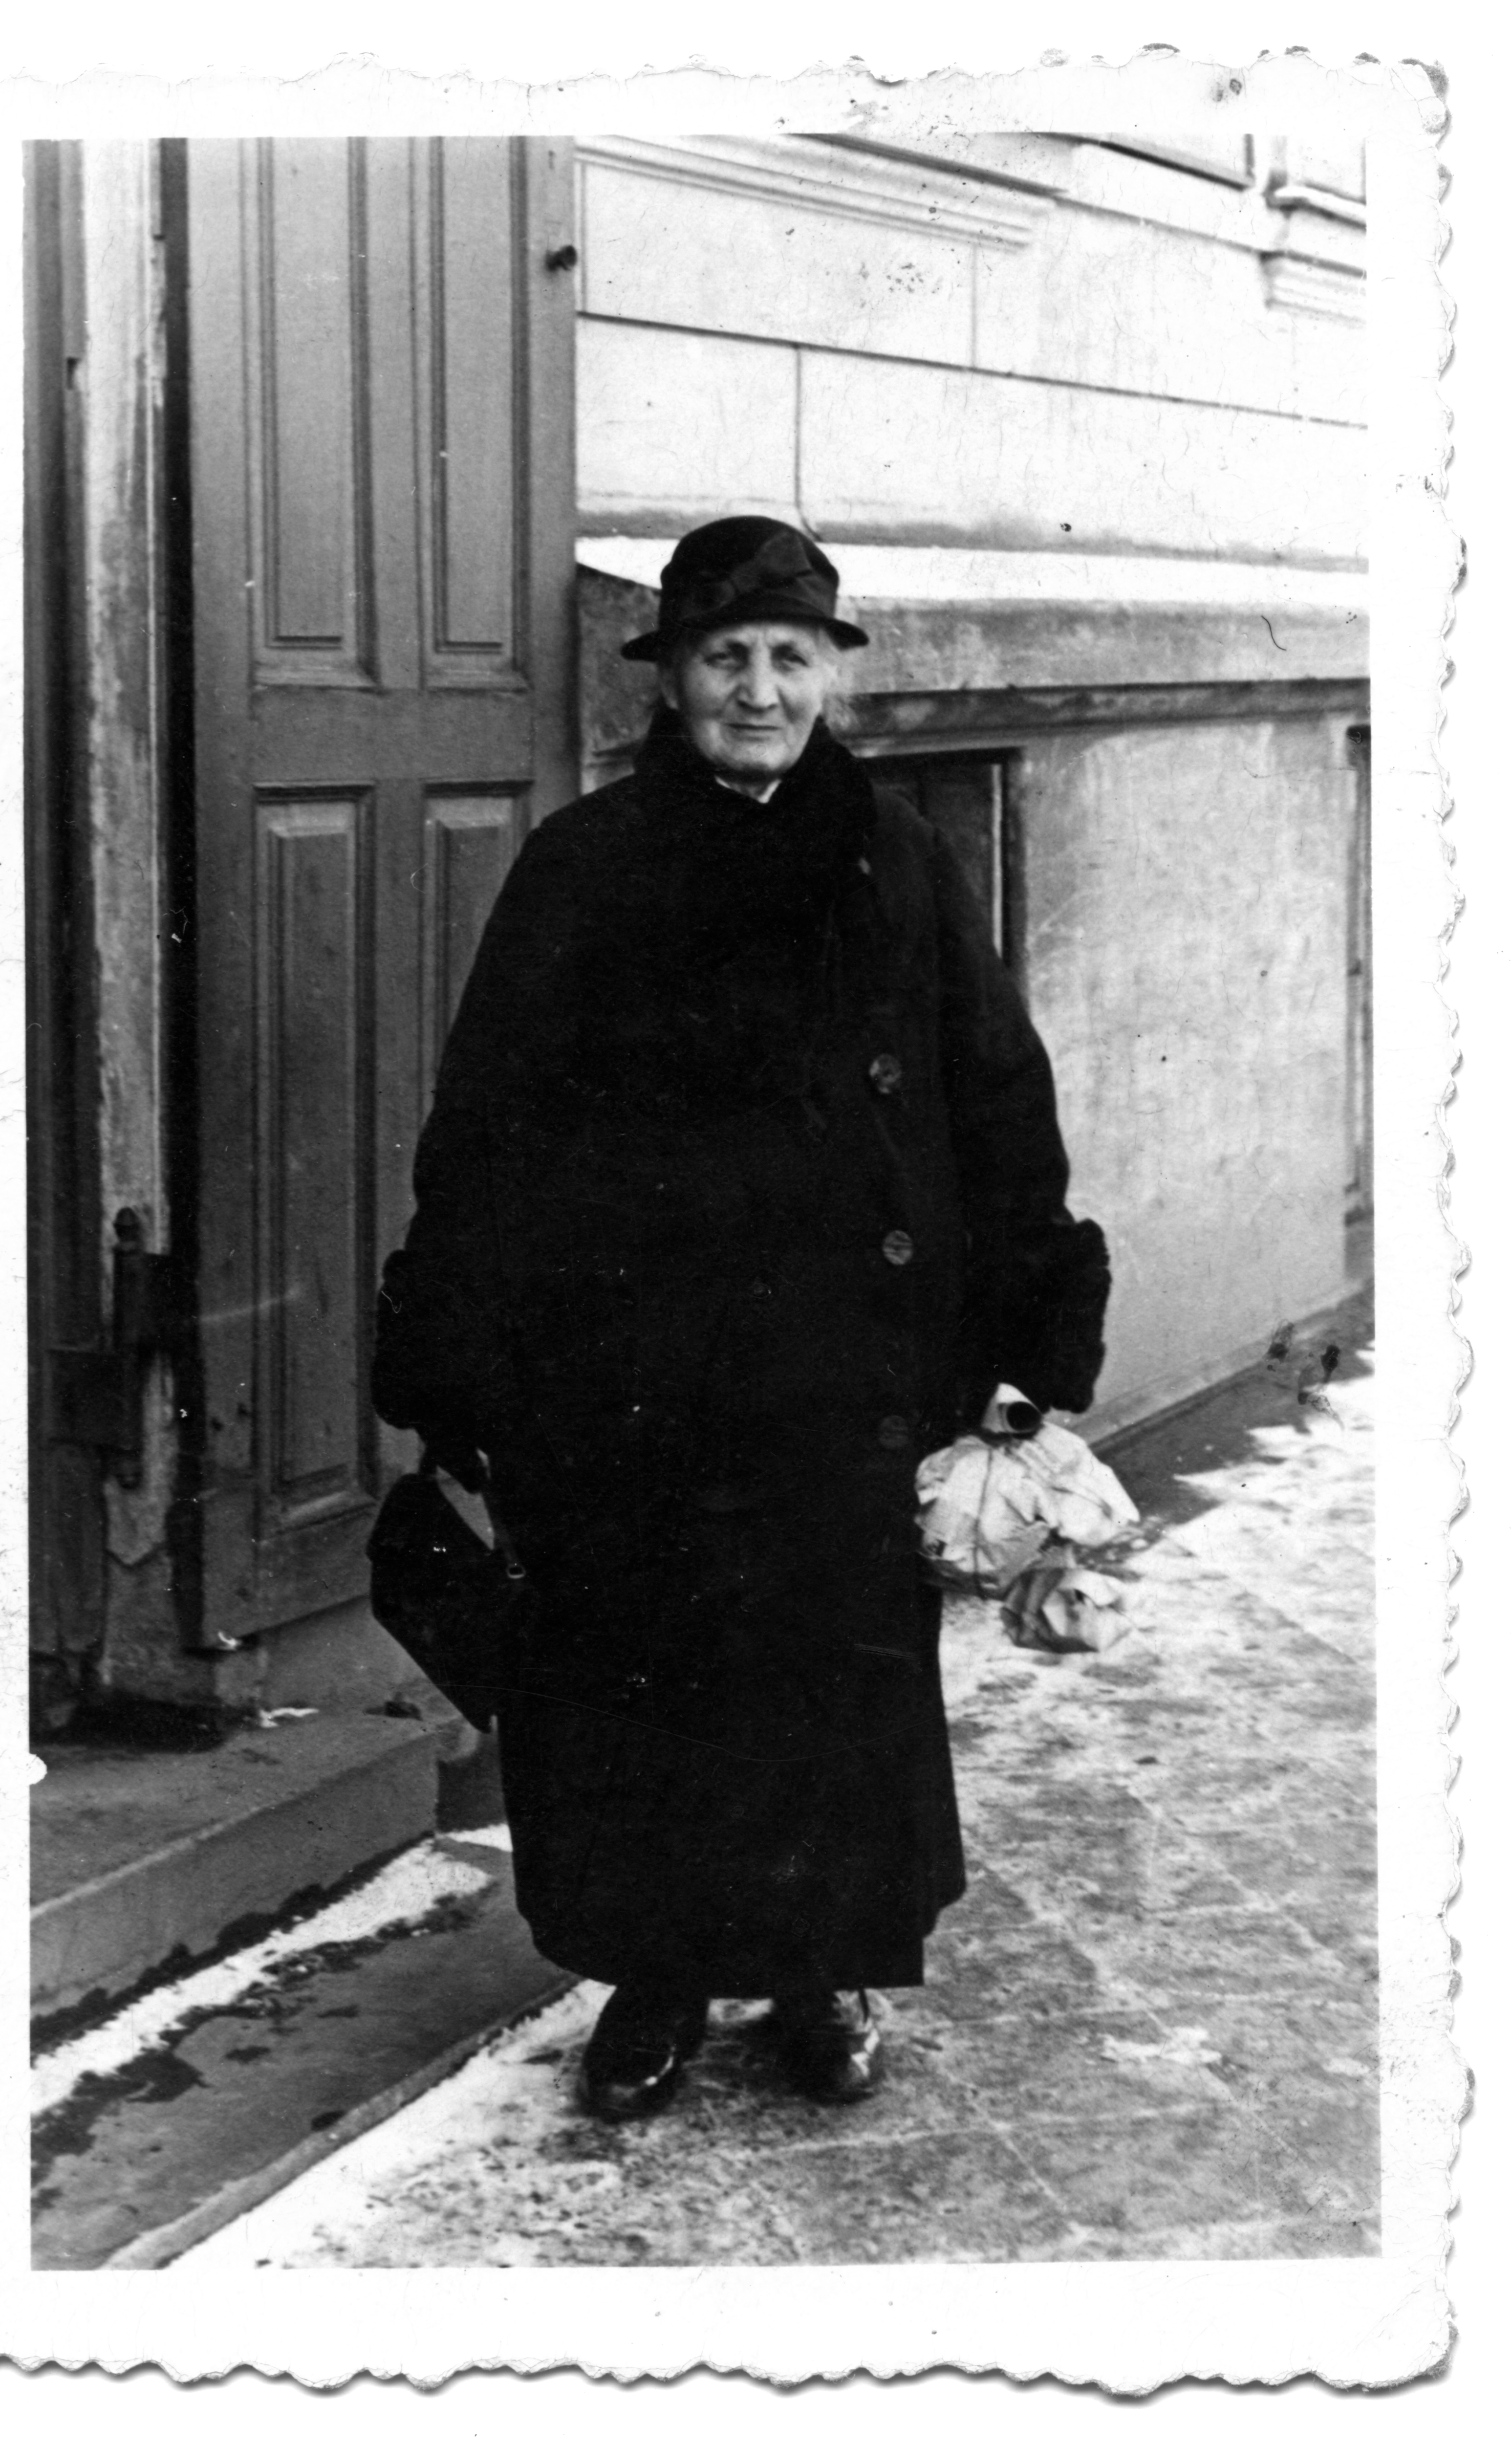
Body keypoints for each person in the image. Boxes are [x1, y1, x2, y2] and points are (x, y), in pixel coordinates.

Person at [372, 516, 1106, 2120]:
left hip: (848, 1366)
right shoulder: (587, 862)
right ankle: (655, 1977)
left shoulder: (898, 858)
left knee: (830, 1686)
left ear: (833, 673)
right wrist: (462, 1349)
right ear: (673, 680)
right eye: (725, 658)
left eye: (788, 657)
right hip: (631, 1372)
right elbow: (488, 1123)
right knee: (638, 1682)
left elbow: (997, 1095)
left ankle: (824, 1973)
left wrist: (1023, 1335)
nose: (758, 691)